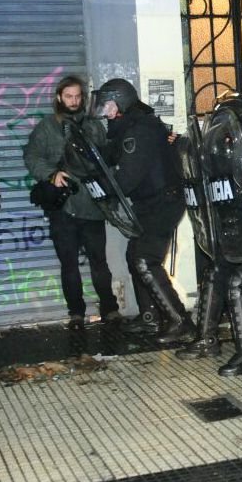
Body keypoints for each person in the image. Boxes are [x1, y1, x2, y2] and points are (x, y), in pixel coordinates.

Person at [91, 78, 192, 343]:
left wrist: (102, 185)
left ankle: (180, 321)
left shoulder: (139, 131)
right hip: (153, 202)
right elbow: (112, 154)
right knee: (135, 254)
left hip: (162, 202)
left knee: (145, 259)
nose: (106, 113)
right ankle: (151, 318)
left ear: (121, 103)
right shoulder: (132, 126)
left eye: (109, 106)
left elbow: (127, 179)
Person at [24, 76, 120, 329]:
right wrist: (51, 174)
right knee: (69, 265)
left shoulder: (94, 126)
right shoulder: (47, 126)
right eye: (69, 96)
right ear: (59, 97)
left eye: (78, 96)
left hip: (92, 205)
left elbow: (107, 159)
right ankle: (75, 313)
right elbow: (32, 156)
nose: (74, 101)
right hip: (64, 208)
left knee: (99, 263)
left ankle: (109, 308)